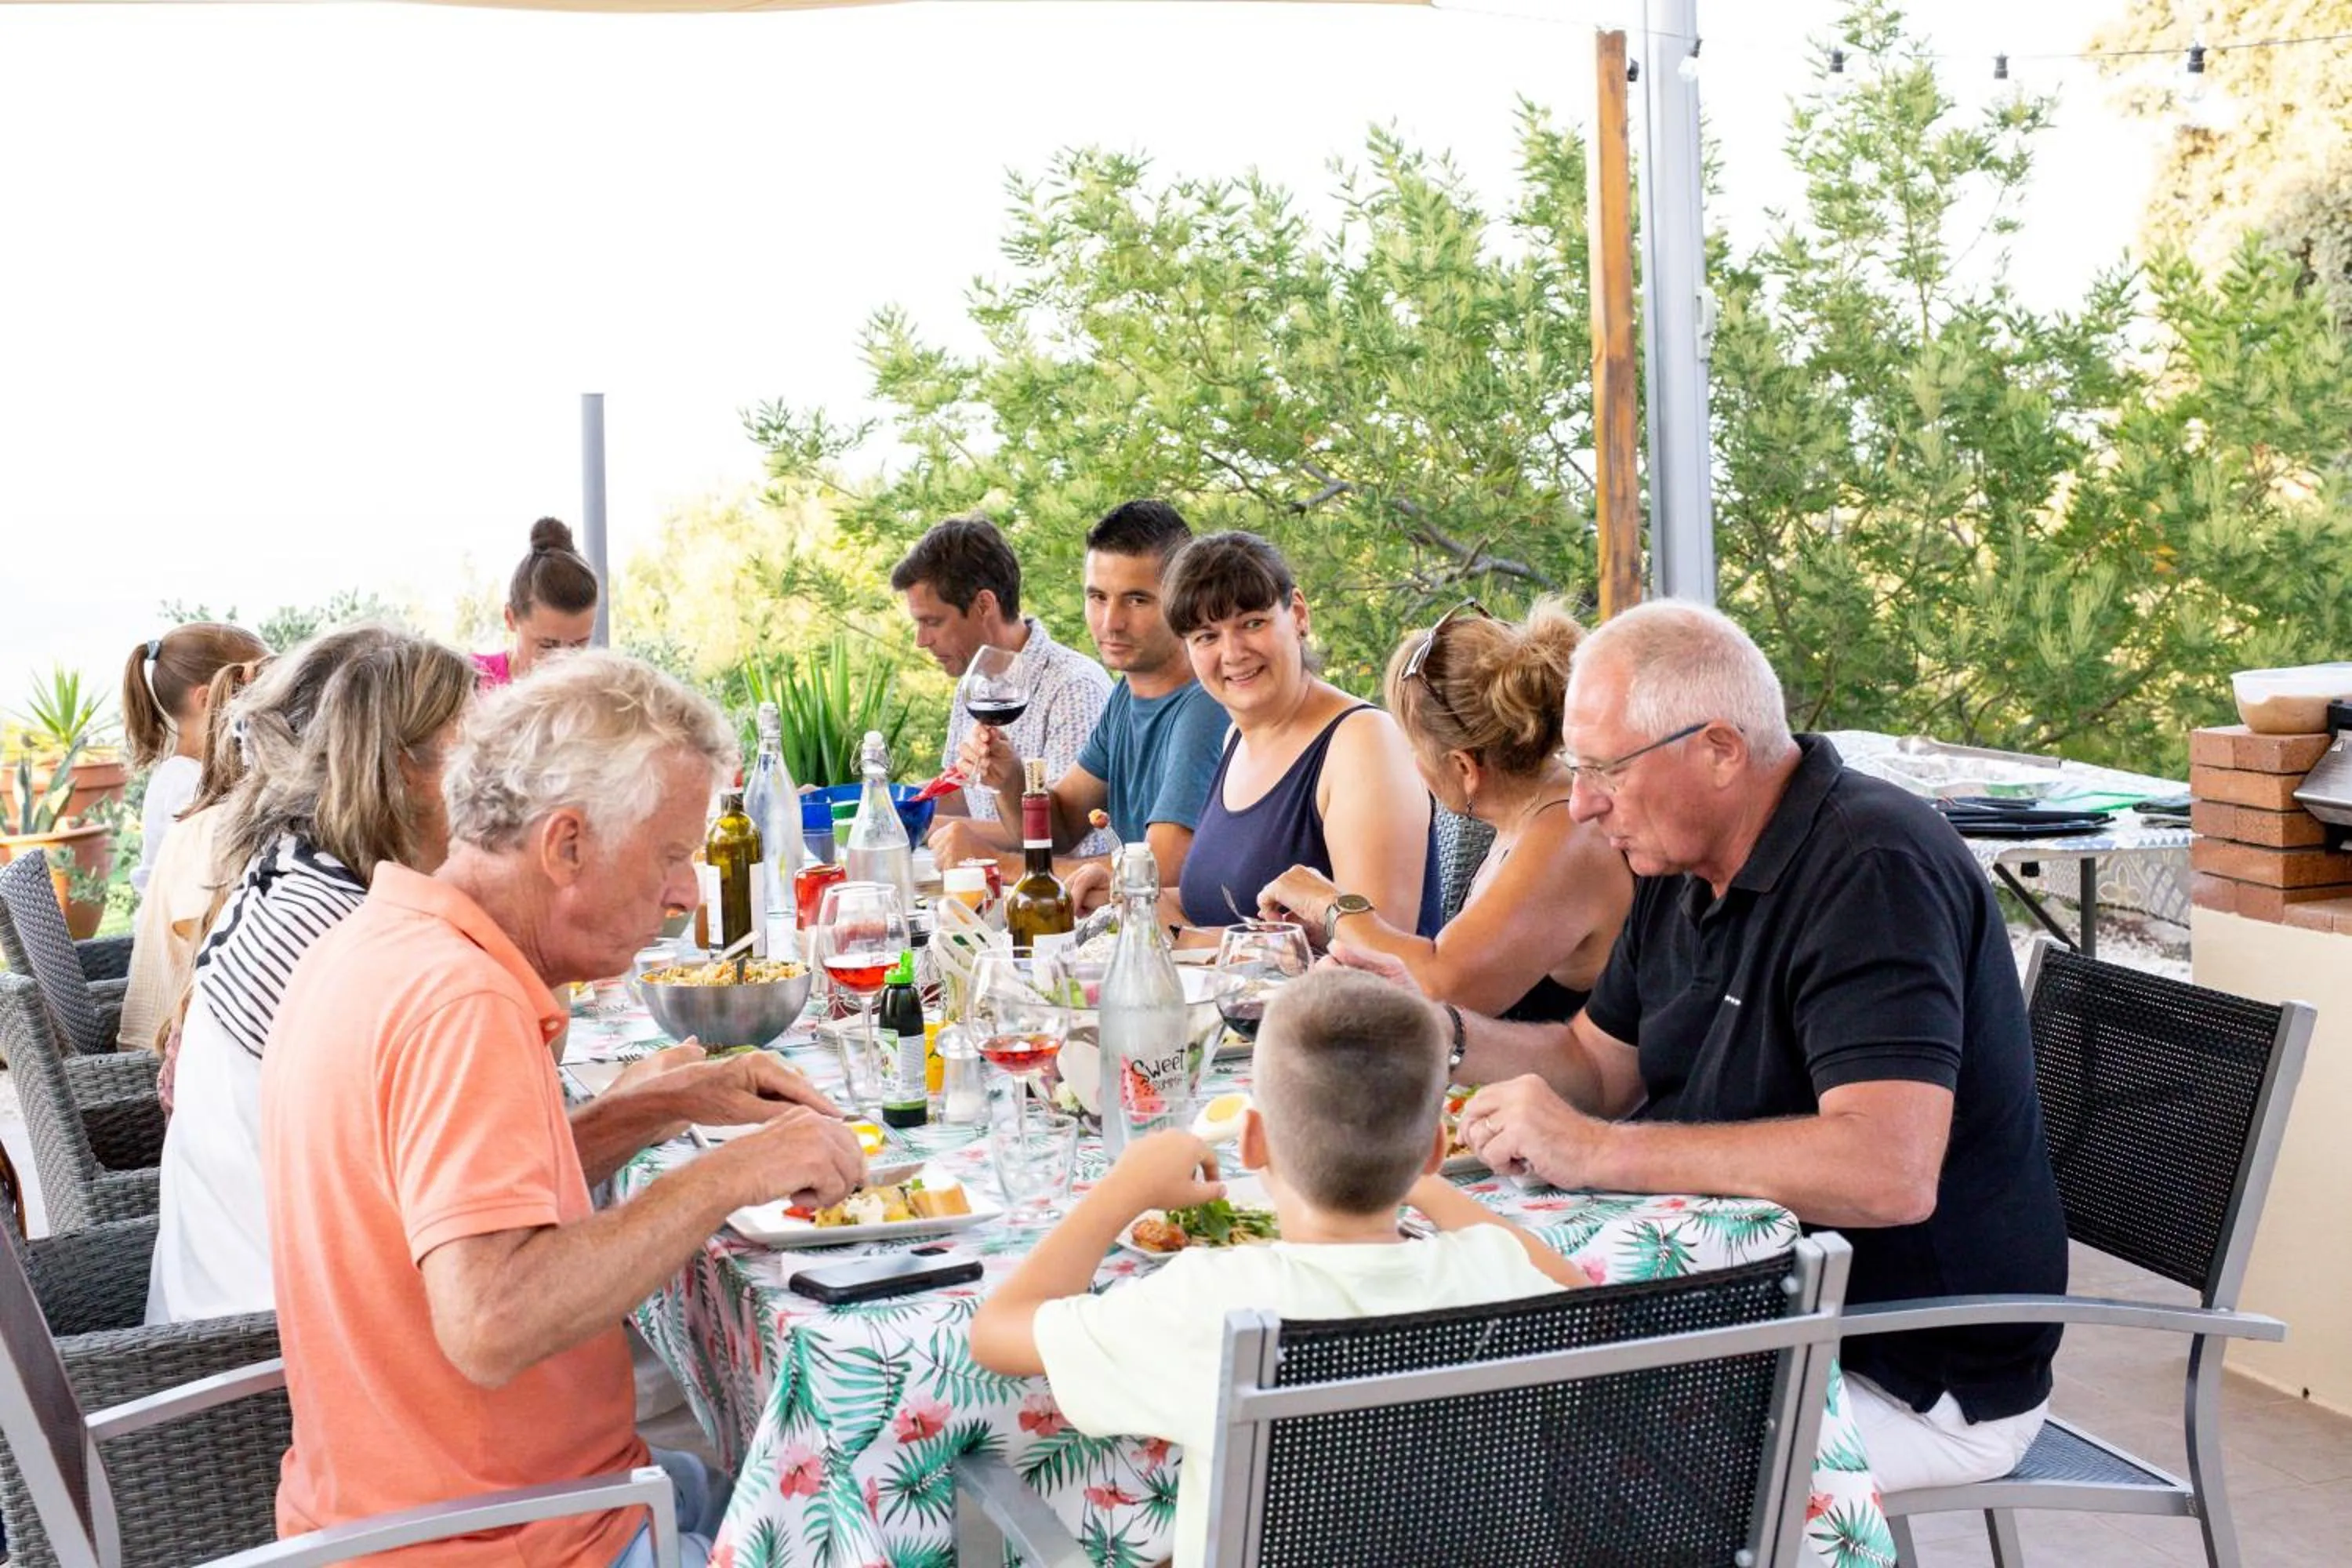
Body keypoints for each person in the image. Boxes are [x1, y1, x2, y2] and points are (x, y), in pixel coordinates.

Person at [1393, 599, 2066, 1496]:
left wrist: (1599, 1150)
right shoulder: (1678, 855)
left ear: (1717, 749)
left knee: (1528, 1458)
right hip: (1760, 1304)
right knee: (1452, 1397)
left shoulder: (1872, 868)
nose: (1583, 803)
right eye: (1575, 768)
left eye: (1603, 770)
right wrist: (1436, 1029)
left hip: (1905, 1361)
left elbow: (1887, 1169)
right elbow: (1597, 1064)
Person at [260, 651, 864, 1568]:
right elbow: (493, 1318)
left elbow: (437, 1211)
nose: (684, 893)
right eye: (670, 855)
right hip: (498, 1537)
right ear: (567, 844)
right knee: (862, 1503)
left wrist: (654, 1107)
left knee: (765, 1475)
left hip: (396, 1502)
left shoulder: (379, 941)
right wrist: (736, 1170)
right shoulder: (463, 1004)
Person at [970, 968, 1581, 1568]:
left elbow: (997, 1331)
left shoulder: (1212, 1300)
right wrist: (1408, 1171)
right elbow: (1588, 1300)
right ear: (1438, 1154)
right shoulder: (1495, 1272)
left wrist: (1122, 1189)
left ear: (1252, 1140)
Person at [148, 627, 474, 1323]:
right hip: (279, 1360)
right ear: (399, 770)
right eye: (468, 746)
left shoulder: (290, 876)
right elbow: (463, 1220)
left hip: (227, 1310)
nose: (491, 775)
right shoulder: (349, 932)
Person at [1258, 601, 1632, 1019]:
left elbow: (1440, 985)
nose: (1413, 763)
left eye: (1414, 747)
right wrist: (1333, 933)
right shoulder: (1527, 816)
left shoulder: (1569, 830)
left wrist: (1330, 906)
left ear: (1463, 767)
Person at [930, 499, 1229, 909]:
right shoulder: (1127, 695)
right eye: (1098, 597)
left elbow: (1160, 870)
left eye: (1137, 600)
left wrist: (997, 865)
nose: (1111, 622)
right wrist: (1010, 779)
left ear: (1184, 600)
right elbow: (1061, 826)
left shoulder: (1203, 706)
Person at [1164, 531, 1439, 938]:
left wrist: (1181, 941)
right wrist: (1131, 899)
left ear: (1298, 613)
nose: (1233, 652)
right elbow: (1219, 904)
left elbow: (1379, 949)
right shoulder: (1235, 741)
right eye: (1207, 636)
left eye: (1252, 623)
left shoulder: (1364, 742)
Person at [891, 515, 1112, 854]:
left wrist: (929, 827)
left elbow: (1059, 833)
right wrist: (867, 805)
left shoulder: (1074, 688)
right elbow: (965, 790)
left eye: (932, 622)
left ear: (984, 605)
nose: (921, 641)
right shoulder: (976, 681)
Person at [117, 655, 271, 1058]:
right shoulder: (204, 813)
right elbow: (222, 954)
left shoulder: (196, 793)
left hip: (182, 1029)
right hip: (172, 1045)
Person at [121, 620, 270, 891]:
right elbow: (215, 886)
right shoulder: (185, 783)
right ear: (206, 700)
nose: (270, 706)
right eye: (260, 692)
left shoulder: (191, 773)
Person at [474, 516, 599, 687]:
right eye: (548, 646)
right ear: (510, 618)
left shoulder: (597, 697)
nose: (564, 664)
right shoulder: (469, 684)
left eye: (579, 645)